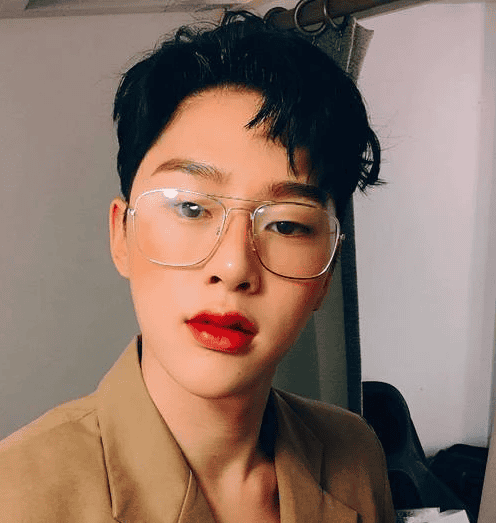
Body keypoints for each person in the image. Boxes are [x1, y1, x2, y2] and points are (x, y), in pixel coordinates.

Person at [0, 10, 395, 522]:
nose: (233, 266)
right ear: (122, 234)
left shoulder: (355, 452)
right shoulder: (17, 494)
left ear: (328, 268)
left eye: (286, 223)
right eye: (190, 207)